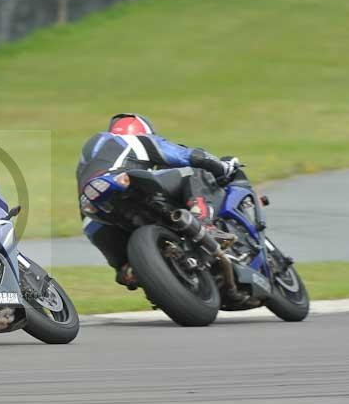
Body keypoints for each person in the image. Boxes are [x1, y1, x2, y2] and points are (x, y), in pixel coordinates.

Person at [76, 113, 240, 289]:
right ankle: (205, 224)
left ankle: (129, 269)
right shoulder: (137, 140)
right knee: (195, 171)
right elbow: (190, 156)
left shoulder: (89, 156)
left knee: (104, 242)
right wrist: (223, 167)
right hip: (121, 180)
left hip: (93, 208)